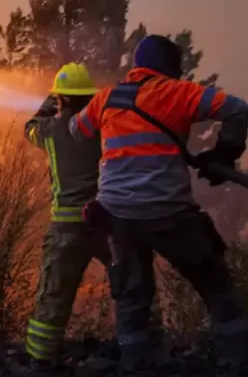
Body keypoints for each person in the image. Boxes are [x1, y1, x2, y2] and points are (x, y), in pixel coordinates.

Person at [69, 34, 248, 375]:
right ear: (168, 65)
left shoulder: (107, 98)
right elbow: (238, 109)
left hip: (118, 215)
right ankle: (235, 360)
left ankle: (136, 363)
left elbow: (77, 130)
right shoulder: (177, 92)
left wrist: (63, 109)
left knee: (132, 297)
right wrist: (225, 152)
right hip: (169, 213)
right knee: (215, 283)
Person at [23, 63, 111, 376]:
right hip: (107, 223)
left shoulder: (49, 130)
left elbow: (29, 128)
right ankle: (141, 351)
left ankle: (41, 362)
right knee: (130, 284)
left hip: (65, 229)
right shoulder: (103, 126)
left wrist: (48, 102)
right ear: (90, 98)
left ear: (61, 98)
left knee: (54, 294)